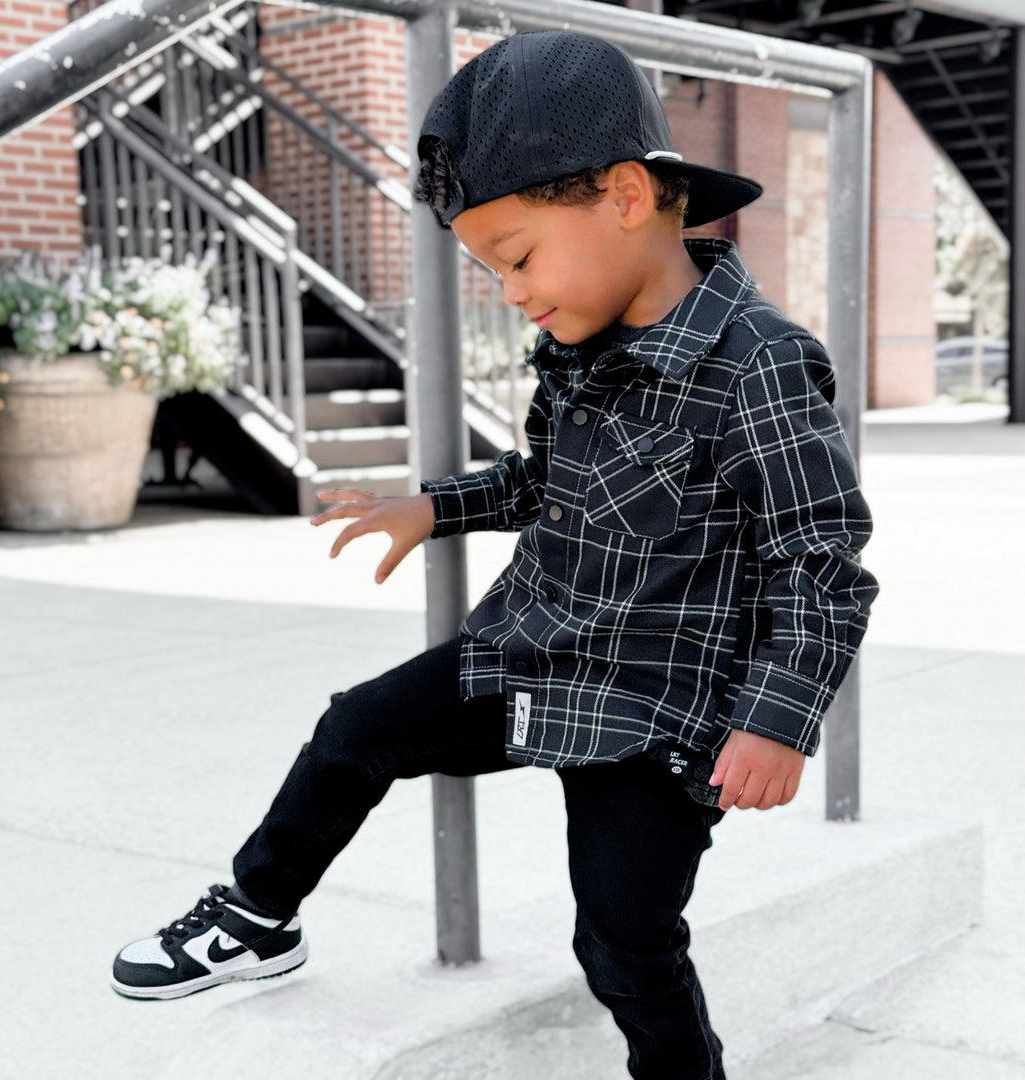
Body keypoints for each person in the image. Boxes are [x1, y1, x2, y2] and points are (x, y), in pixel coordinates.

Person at [111, 30, 878, 1080]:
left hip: (657, 717)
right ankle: (257, 914)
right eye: (493, 270)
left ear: (625, 196)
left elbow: (821, 556)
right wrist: (436, 506)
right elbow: (547, 479)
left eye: (518, 258)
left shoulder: (760, 365)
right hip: (532, 652)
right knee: (355, 728)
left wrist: (777, 719)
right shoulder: (578, 343)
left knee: (623, 941)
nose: (512, 291)